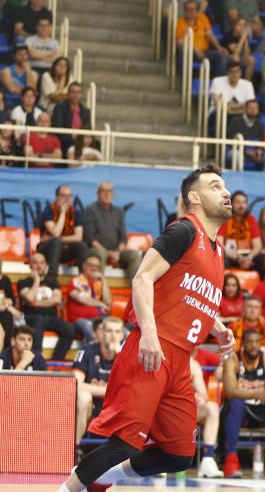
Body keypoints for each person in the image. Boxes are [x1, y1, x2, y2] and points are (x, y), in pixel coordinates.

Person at [58, 166, 237, 492]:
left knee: (179, 454)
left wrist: (219, 327)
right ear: (194, 197)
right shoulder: (184, 231)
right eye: (215, 186)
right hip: (152, 349)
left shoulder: (219, 250)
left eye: (225, 186)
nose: (226, 192)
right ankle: (68, 487)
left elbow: (190, 298)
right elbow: (142, 279)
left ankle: (102, 478)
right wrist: (151, 335)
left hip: (181, 357)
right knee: (125, 442)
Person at [222, 329, 265, 478]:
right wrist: (256, 394)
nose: (254, 345)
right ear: (243, 344)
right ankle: (231, 460)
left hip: (262, 409)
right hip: (241, 411)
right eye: (250, 342)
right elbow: (230, 391)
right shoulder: (232, 359)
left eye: (257, 342)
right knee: (236, 404)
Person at [73, 317, 124, 444]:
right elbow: (75, 385)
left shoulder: (126, 355)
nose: (113, 336)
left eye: (117, 332)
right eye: (109, 331)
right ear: (101, 333)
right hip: (93, 407)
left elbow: (132, 389)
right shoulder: (86, 351)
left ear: (122, 335)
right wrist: (109, 390)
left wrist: (121, 356)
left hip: (117, 408)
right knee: (83, 397)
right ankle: (75, 449)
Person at [17, 252, 75, 361]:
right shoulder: (23, 282)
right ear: (30, 265)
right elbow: (29, 297)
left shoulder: (53, 282)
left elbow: (57, 299)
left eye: (42, 263)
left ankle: (56, 361)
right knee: (39, 321)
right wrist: (37, 281)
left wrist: (35, 303)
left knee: (70, 329)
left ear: (45, 265)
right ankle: (36, 360)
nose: (39, 266)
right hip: (30, 317)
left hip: (51, 318)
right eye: (35, 263)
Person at [84, 181, 143, 282]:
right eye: (103, 191)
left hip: (116, 251)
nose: (107, 194)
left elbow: (123, 238)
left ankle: (136, 291)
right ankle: (99, 289)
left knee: (134, 255)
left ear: (113, 194)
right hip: (96, 250)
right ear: (98, 193)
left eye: (109, 191)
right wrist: (108, 253)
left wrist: (118, 253)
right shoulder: (90, 210)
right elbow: (90, 238)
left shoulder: (119, 211)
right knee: (101, 252)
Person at [37, 184, 88, 276]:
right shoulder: (48, 211)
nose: (67, 199)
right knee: (56, 241)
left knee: (82, 245)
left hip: (65, 249)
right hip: (47, 250)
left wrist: (56, 239)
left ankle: (83, 278)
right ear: (57, 197)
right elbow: (56, 233)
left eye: (69, 196)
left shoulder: (76, 213)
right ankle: (52, 278)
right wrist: (63, 213)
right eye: (63, 196)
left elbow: (78, 237)